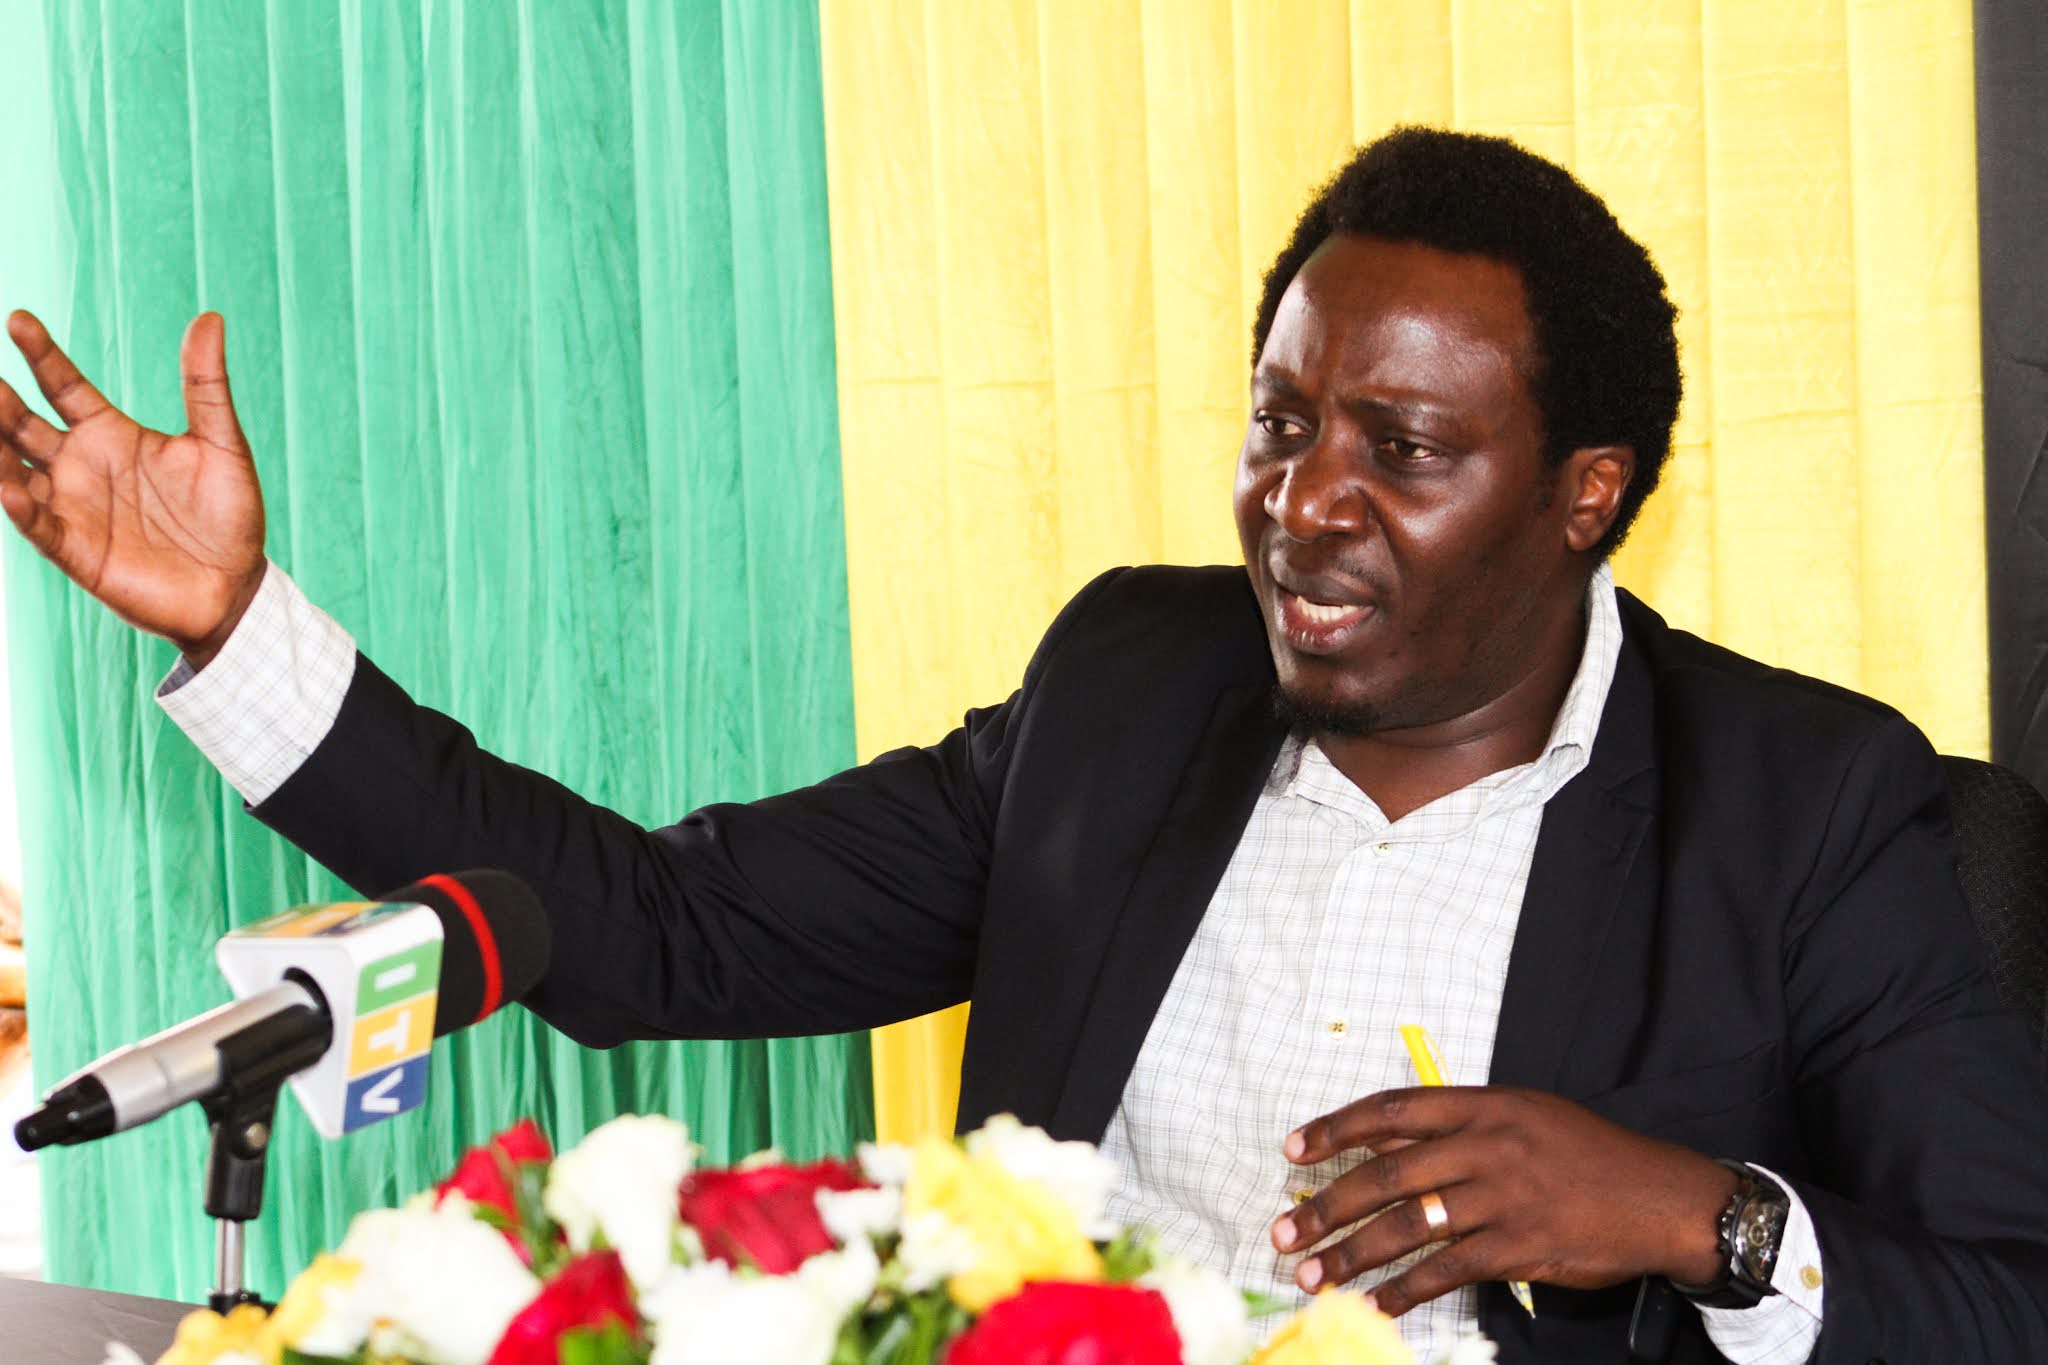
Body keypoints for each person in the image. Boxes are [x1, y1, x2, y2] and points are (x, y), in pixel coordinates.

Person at [3, 127, 2046, 1364]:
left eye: (1402, 450)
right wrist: (241, 634)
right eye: (1279, 421)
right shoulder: (1130, 692)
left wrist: (1699, 1217)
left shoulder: (1809, 804)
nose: (1302, 503)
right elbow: (655, 924)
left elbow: (2006, 1302)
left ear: (1585, 491)